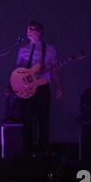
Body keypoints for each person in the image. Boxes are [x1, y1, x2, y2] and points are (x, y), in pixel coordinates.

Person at [15, 21, 62, 156]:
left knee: (43, 119)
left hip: (42, 87)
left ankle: (42, 150)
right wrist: (13, 86)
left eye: (32, 29)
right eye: (27, 29)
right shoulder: (22, 50)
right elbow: (18, 71)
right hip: (26, 88)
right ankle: (27, 150)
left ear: (39, 31)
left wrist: (59, 85)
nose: (28, 31)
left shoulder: (49, 49)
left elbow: (55, 69)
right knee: (27, 120)